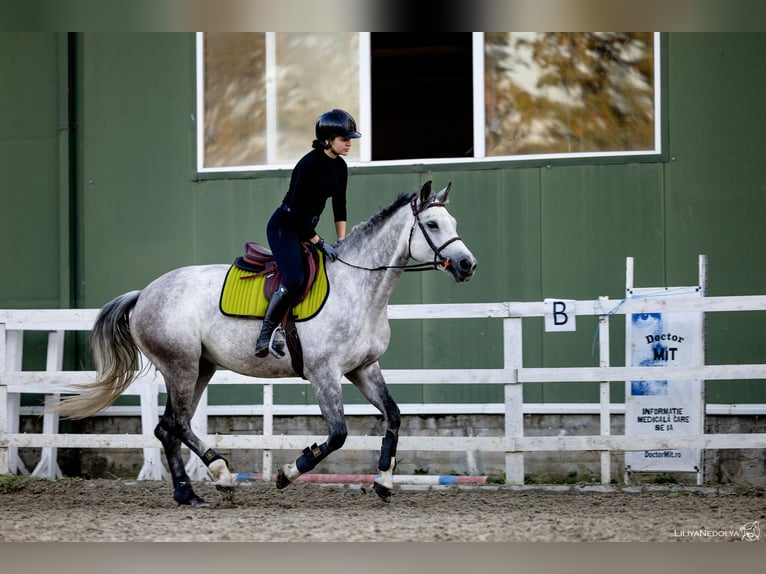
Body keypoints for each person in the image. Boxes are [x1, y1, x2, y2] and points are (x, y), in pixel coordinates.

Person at [255, 109, 361, 357]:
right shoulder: (308, 166)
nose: (348, 144)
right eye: (344, 139)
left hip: (305, 228)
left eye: (350, 139)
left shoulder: (341, 167)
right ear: (327, 140)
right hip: (285, 226)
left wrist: (342, 241)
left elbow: (340, 204)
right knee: (295, 279)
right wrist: (320, 242)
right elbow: (297, 215)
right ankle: (265, 334)